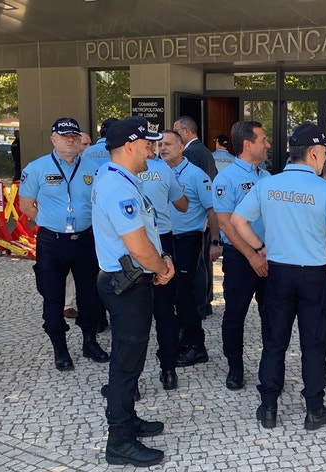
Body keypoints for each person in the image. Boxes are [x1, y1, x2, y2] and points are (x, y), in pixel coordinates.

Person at [232, 122, 326, 431]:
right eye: (324, 152)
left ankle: (268, 408)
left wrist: (260, 247)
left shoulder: (268, 185)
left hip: (278, 274)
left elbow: (237, 220)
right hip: (314, 274)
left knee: (274, 342)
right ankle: (313, 410)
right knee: (313, 343)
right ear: (312, 153)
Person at [92, 117, 174, 467]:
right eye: (147, 144)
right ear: (129, 145)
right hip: (127, 284)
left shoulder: (116, 178)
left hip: (127, 281)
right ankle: (119, 440)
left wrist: (159, 260)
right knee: (126, 363)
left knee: (131, 358)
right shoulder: (119, 187)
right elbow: (139, 248)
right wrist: (161, 267)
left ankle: (128, 419)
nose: (152, 150)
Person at [19, 118, 109, 372]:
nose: (70, 140)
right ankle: (60, 348)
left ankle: (90, 342)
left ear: (81, 139)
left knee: (90, 295)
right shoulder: (37, 168)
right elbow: (26, 205)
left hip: (85, 240)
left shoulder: (94, 168)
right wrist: (51, 221)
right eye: (64, 136)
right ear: (53, 139)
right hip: (52, 242)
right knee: (53, 297)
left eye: (74, 136)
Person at [214, 121, 271, 391]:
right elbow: (225, 223)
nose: (268, 144)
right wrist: (252, 256)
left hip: (268, 257)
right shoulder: (226, 179)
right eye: (263, 139)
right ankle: (235, 368)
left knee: (271, 315)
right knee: (235, 316)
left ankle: (269, 369)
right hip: (241, 259)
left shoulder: (268, 177)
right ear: (248, 145)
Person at [157, 130, 220, 368]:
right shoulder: (156, 173)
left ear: (182, 147)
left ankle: (197, 346)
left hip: (187, 240)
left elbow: (212, 209)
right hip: (163, 240)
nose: (163, 148)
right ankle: (179, 337)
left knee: (184, 295)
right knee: (169, 294)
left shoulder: (196, 175)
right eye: (160, 144)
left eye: (168, 144)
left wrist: (215, 240)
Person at [138, 134, 188, 390]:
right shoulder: (164, 171)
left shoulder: (110, 173)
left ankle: (131, 382)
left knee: (132, 315)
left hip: (129, 245)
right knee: (166, 310)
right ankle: (169, 371)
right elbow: (182, 205)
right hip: (161, 241)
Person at [173, 116, 216, 321]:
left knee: (196, 268)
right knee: (202, 265)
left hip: (195, 220)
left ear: (186, 132)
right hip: (202, 218)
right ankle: (204, 303)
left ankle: (198, 306)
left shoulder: (190, 153)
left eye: (176, 131)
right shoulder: (206, 151)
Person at [63, 132, 94, 320]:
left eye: (89, 143)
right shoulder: (59, 166)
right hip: (65, 229)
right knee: (67, 272)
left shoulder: (92, 168)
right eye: (84, 144)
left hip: (88, 228)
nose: (87, 147)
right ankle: (67, 304)